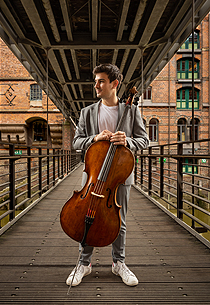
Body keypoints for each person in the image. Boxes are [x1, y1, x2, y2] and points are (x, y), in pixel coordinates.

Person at [66, 63, 149, 287]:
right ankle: (83, 264)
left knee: (119, 220)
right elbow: (76, 142)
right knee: (86, 217)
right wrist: (94, 138)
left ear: (114, 84)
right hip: (92, 174)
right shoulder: (87, 112)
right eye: (95, 81)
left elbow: (144, 140)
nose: (96, 85)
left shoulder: (131, 111)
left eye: (101, 81)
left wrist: (127, 141)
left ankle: (118, 263)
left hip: (119, 176)